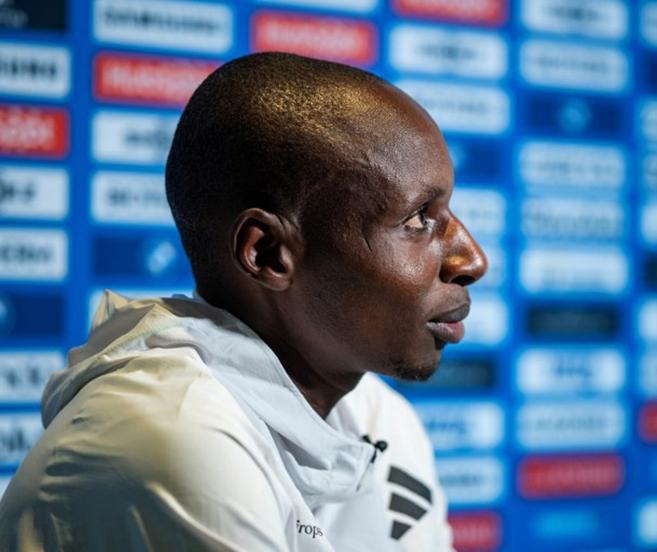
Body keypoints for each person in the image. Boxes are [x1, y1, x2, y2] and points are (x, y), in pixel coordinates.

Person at [0, 52, 487, 551]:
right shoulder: (173, 432)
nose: (472, 259)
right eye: (416, 220)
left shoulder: (381, 418)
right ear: (269, 254)